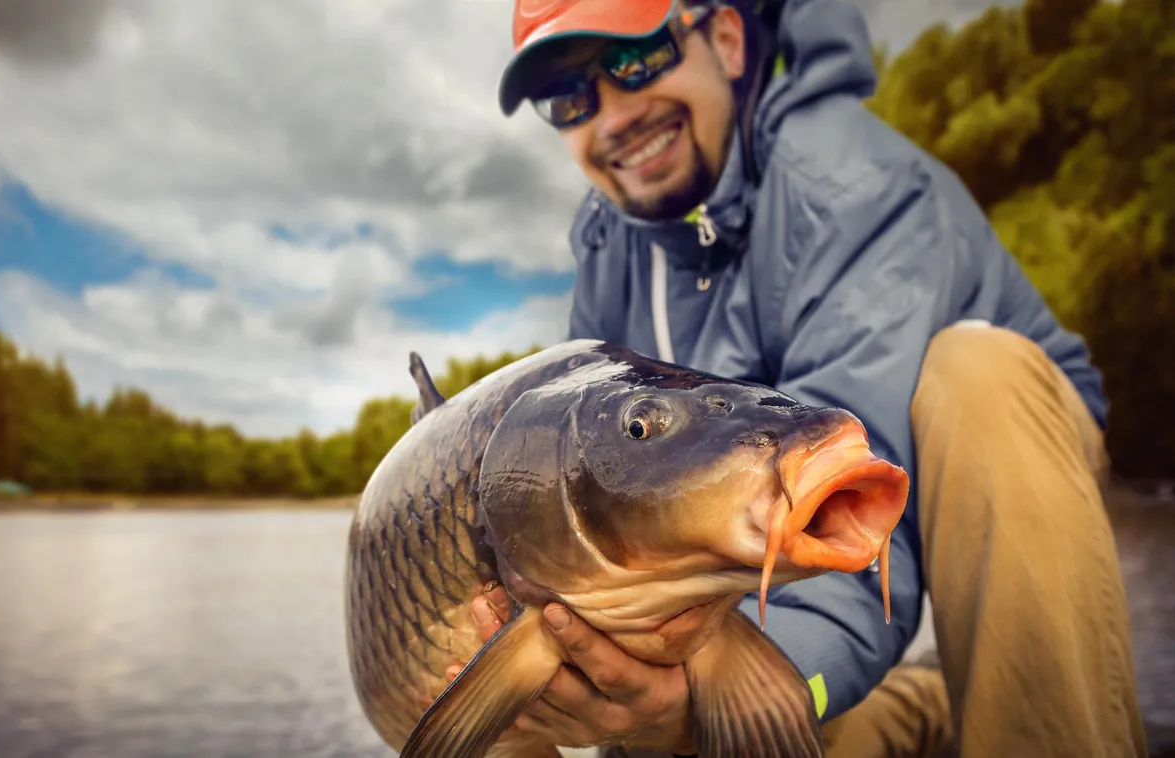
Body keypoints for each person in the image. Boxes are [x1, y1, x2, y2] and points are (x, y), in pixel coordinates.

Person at [443, 0, 1151, 756]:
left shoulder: (847, 179)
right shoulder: (607, 245)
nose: (611, 114)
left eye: (634, 57)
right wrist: (648, 701)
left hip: (1003, 449)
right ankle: (917, 707)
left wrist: (763, 682)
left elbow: (848, 504)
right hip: (766, 492)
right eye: (568, 96)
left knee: (979, 375)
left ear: (722, 39)